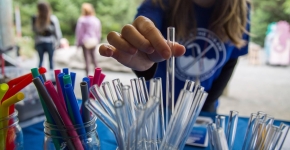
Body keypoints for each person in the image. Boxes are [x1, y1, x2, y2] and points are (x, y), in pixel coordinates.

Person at [99, 0, 251, 112]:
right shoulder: (161, 4)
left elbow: (231, 60)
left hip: (203, 109)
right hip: (155, 107)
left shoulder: (241, 10)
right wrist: (142, 44)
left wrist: (207, 104)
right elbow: (147, 26)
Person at [32, 1, 62, 74]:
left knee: (40, 61)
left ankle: (39, 80)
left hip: (40, 42)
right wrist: (58, 41)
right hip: (49, 42)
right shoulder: (52, 18)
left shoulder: (35, 18)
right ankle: (52, 80)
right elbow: (57, 31)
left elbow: (33, 30)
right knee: (51, 61)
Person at [75, 3, 102, 76]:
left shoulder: (82, 20)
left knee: (87, 60)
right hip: (94, 41)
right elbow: (98, 32)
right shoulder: (96, 20)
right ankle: (98, 75)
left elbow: (79, 33)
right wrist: (97, 40)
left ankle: (87, 76)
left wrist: (77, 44)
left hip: (85, 42)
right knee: (94, 59)